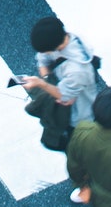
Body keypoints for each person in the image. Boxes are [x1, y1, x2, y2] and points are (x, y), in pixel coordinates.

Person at [20, 14, 101, 159]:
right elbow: (43, 60)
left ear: (55, 47)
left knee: (77, 147)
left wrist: (41, 84)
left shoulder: (77, 69)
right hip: (68, 102)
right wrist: (46, 78)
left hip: (80, 115)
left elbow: (64, 96)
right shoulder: (59, 39)